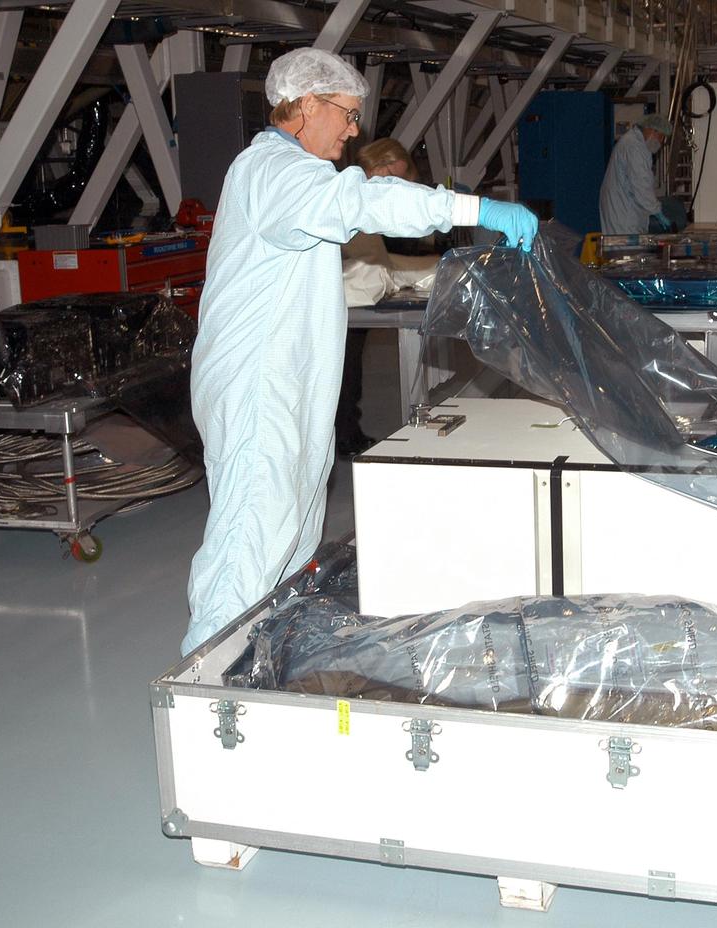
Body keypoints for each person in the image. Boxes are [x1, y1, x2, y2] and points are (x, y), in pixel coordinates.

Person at [183, 48, 538, 654]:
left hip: (287, 381)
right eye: (346, 114)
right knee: (250, 538)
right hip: (256, 388)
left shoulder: (297, 175)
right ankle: (206, 676)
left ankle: (261, 655)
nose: (353, 130)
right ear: (306, 106)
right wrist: (472, 208)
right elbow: (364, 201)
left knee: (291, 535)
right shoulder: (273, 172)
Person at [335, 138, 422, 456]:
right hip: (342, 304)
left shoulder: (360, 199)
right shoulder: (349, 195)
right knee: (343, 374)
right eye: (392, 178)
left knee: (349, 372)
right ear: (378, 165)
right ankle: (344, 436)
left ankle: (347, 432)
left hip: (353, 303)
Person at [599, 113, 672, 234]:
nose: (661, 142)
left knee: (628, 249)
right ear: (652, 130)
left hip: (624, 208)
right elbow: (641, 184)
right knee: (625, 250)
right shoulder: (633, 147)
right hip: (622, 213)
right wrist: (656, 211)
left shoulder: (638, 145)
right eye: (661, 137)